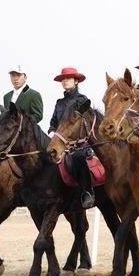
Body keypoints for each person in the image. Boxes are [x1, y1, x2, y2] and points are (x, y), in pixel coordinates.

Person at [50, 67, 95, 208]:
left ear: (76, 81)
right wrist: (52, 132)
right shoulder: (59, 103)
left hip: (79, 144)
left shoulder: (82, 100)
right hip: (61, 142)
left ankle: (88, 192)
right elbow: (53, 123)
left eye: (68, 79)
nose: (64, 81)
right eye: (63, 79)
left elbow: (86, 123)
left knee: (78, 157)